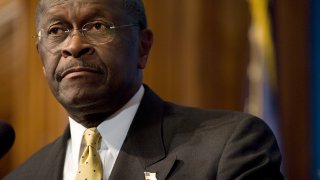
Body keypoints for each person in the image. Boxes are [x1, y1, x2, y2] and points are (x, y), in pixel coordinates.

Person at [5, 0, 284, 179]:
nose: (74, 45)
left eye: (97, 26)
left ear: (143, 46)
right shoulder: (23, 176)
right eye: (56, 31)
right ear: (41, 58)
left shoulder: (229, 148)